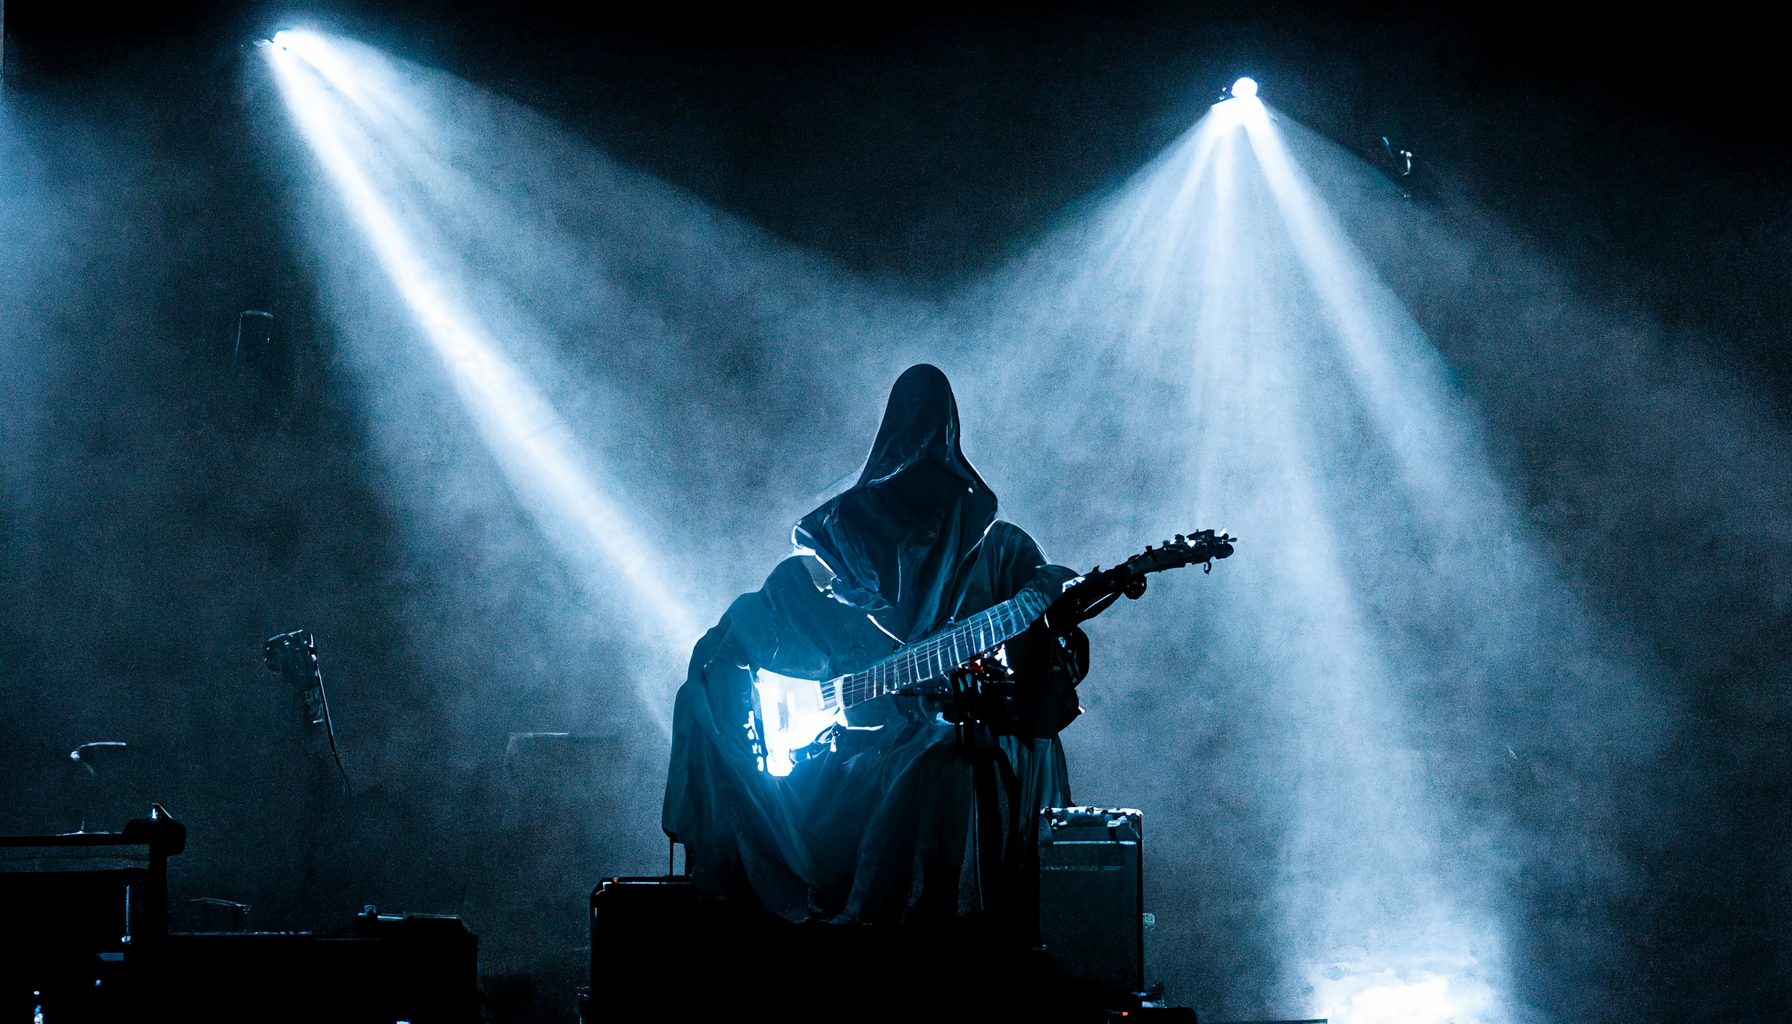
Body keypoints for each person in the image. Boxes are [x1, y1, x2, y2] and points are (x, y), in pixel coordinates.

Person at [662, 364, 1087, 928]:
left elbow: (1060, 656)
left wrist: (1032, 630)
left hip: (967, 730)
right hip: (861, 734)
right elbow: (758, 623)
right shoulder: (843, 545)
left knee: (954, 761)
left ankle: (965, 927)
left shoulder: (1001, 550)